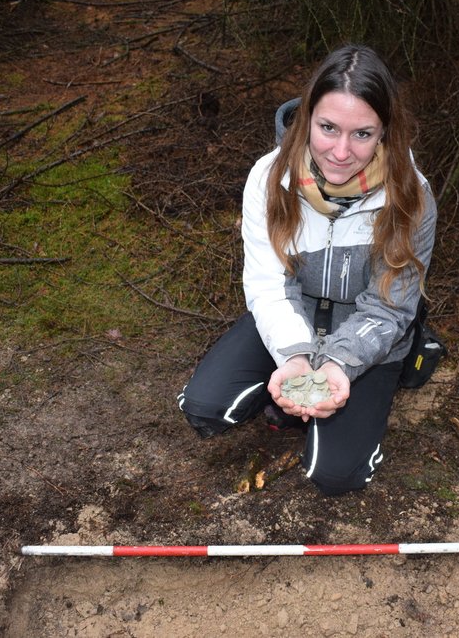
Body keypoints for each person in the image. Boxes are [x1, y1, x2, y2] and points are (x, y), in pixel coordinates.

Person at [177, 44, 437, 496]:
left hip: (368, 330)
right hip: (291, 316)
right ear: (306, 119)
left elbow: (389, 307)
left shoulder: (411, 194)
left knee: (334, 475)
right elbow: (267, 284)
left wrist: (337, 364)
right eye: (328, 127)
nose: (340, 151)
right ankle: (285, 399)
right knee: (204, 408)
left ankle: (394, 369)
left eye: (362, 134)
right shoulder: (267, 179)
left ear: (385, 135)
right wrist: (295, 360)